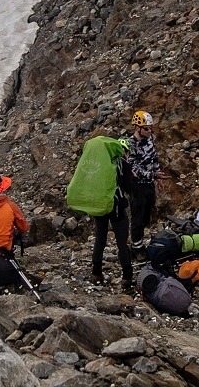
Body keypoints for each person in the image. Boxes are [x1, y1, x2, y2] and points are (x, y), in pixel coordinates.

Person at [66, 128, 131, 287]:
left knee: (100, 238)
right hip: (116, 208)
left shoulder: (101, 166)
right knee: (122, 242)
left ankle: (96, 273)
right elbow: (129, 187)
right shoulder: (121, 165)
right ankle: (127, 278)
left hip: (100, 206)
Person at [121, 111, 159, 249]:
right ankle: (136, 246)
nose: (149, 131)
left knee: (147, 212)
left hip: (149, 183)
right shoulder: (131, 144)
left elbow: (154, 157)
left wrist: (157, 173)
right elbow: (133, 167)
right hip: (137, 185)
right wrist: (152, 175)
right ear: (137, 128)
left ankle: (141, 238)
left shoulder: (150, 140)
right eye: (146, 128)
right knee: (138, 214)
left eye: (150, 128)